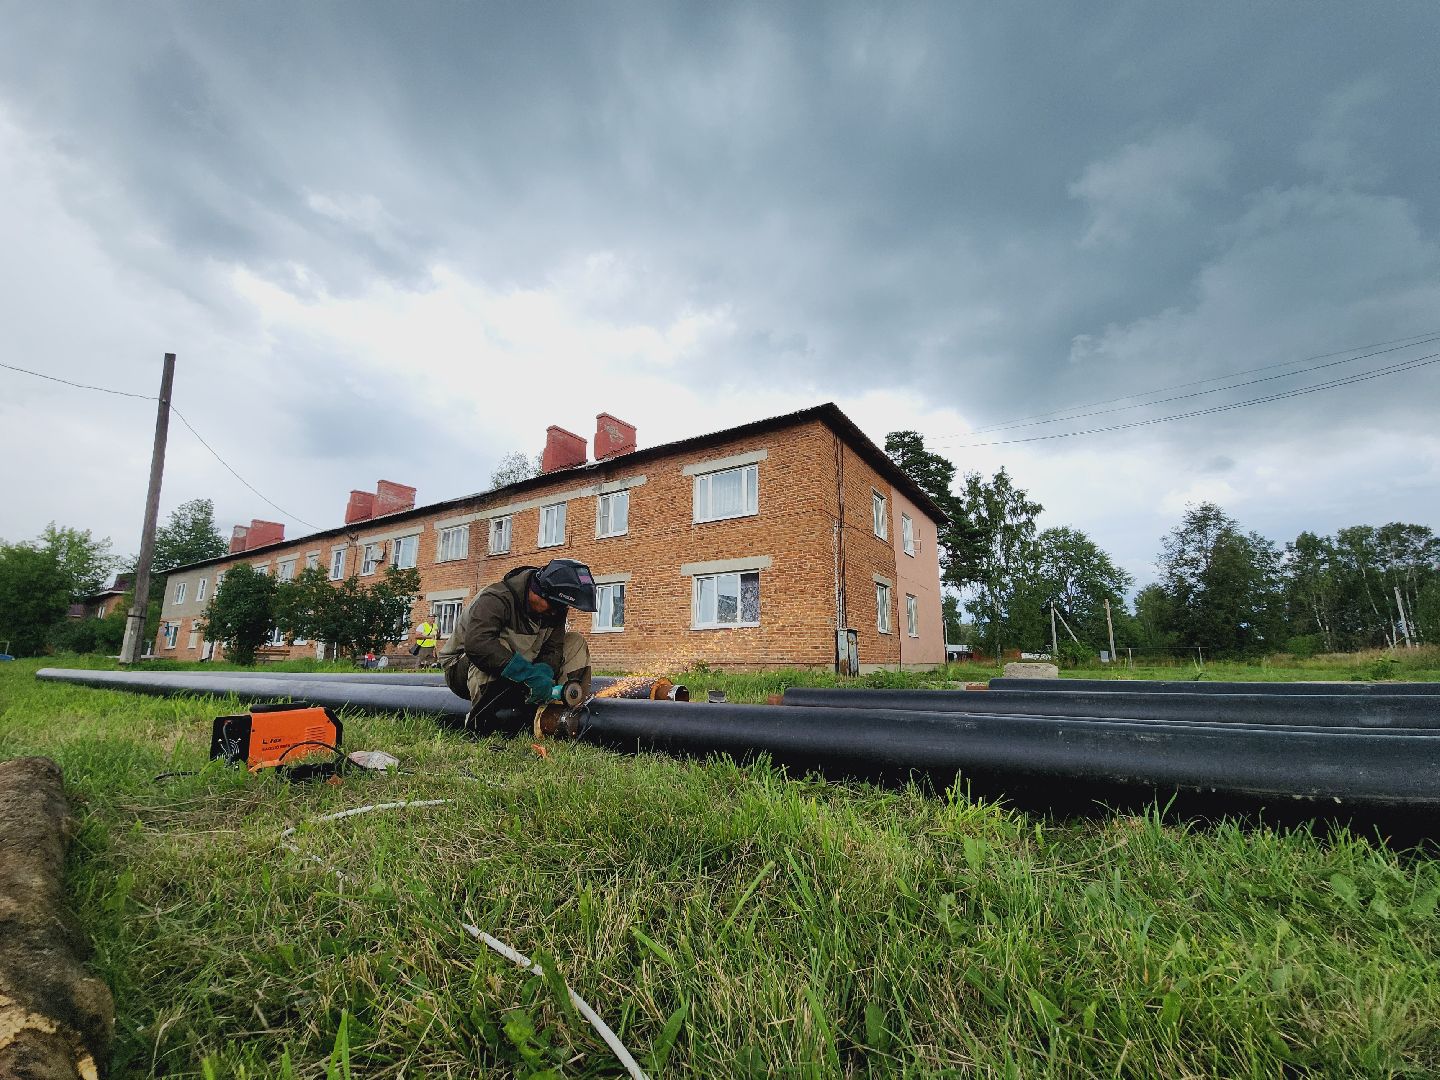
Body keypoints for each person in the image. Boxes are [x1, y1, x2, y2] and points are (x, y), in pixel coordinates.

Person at [438, 559, 596, 731]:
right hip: (462, 669)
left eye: (563, 607)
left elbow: (553, 648)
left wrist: (544, 673)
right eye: (555, 606)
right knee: (496, 646)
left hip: (520, 665)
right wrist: (528, 675)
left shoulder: (555, 608)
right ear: (537, 592)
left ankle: (558, 716)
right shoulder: (496, 597)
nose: (556, 612)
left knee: (575, 642)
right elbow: (478, 644)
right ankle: (482, 723)